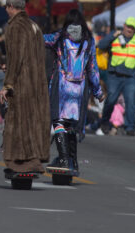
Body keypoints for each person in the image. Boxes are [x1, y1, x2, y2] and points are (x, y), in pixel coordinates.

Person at [44, 10, 103, 176]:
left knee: (59, 122)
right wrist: (98, 91)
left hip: (62, 86)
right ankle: (73, 161)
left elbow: (41, 40)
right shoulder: (88, 41)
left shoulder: (60, 38)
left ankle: (63, 158)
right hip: (80, 88)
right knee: (70, 124)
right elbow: (92, 69)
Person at [0, 0, 51, 177]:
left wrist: (8, 84)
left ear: (12, 7)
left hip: (22, 83)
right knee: (34, 121)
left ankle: (22, 163)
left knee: (19, 122)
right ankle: (34, 159)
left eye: (7, 6)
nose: (6, 9)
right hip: (37, 82)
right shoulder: (34, 26)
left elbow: (17, 56)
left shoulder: (15, 26)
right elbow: (36, 56)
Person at [97, 16, 135, 136]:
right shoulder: (116, 36)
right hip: (114, 75)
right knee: (111, 100)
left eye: (132, 28)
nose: (129, 29)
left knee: (131, 101)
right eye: (128, 26)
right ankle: (104, 122)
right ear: (124, 26)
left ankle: (130, 127)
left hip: (129, 76)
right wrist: (112, 35)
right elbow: (101, 45)